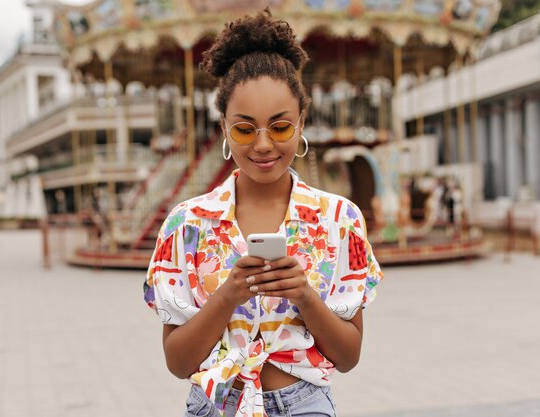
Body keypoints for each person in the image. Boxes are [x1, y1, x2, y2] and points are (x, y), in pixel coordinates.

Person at [143, 10, 383, 417]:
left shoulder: (339, 221)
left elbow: (348, 356)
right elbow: (178, 363)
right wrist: (229, 296)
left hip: (304, 404)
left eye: (280, 127)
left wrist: (304, 294)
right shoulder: (186, 225)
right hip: (215, 405)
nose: (263, 144)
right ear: (223, 127)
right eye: (244, 128)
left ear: (301, 122)